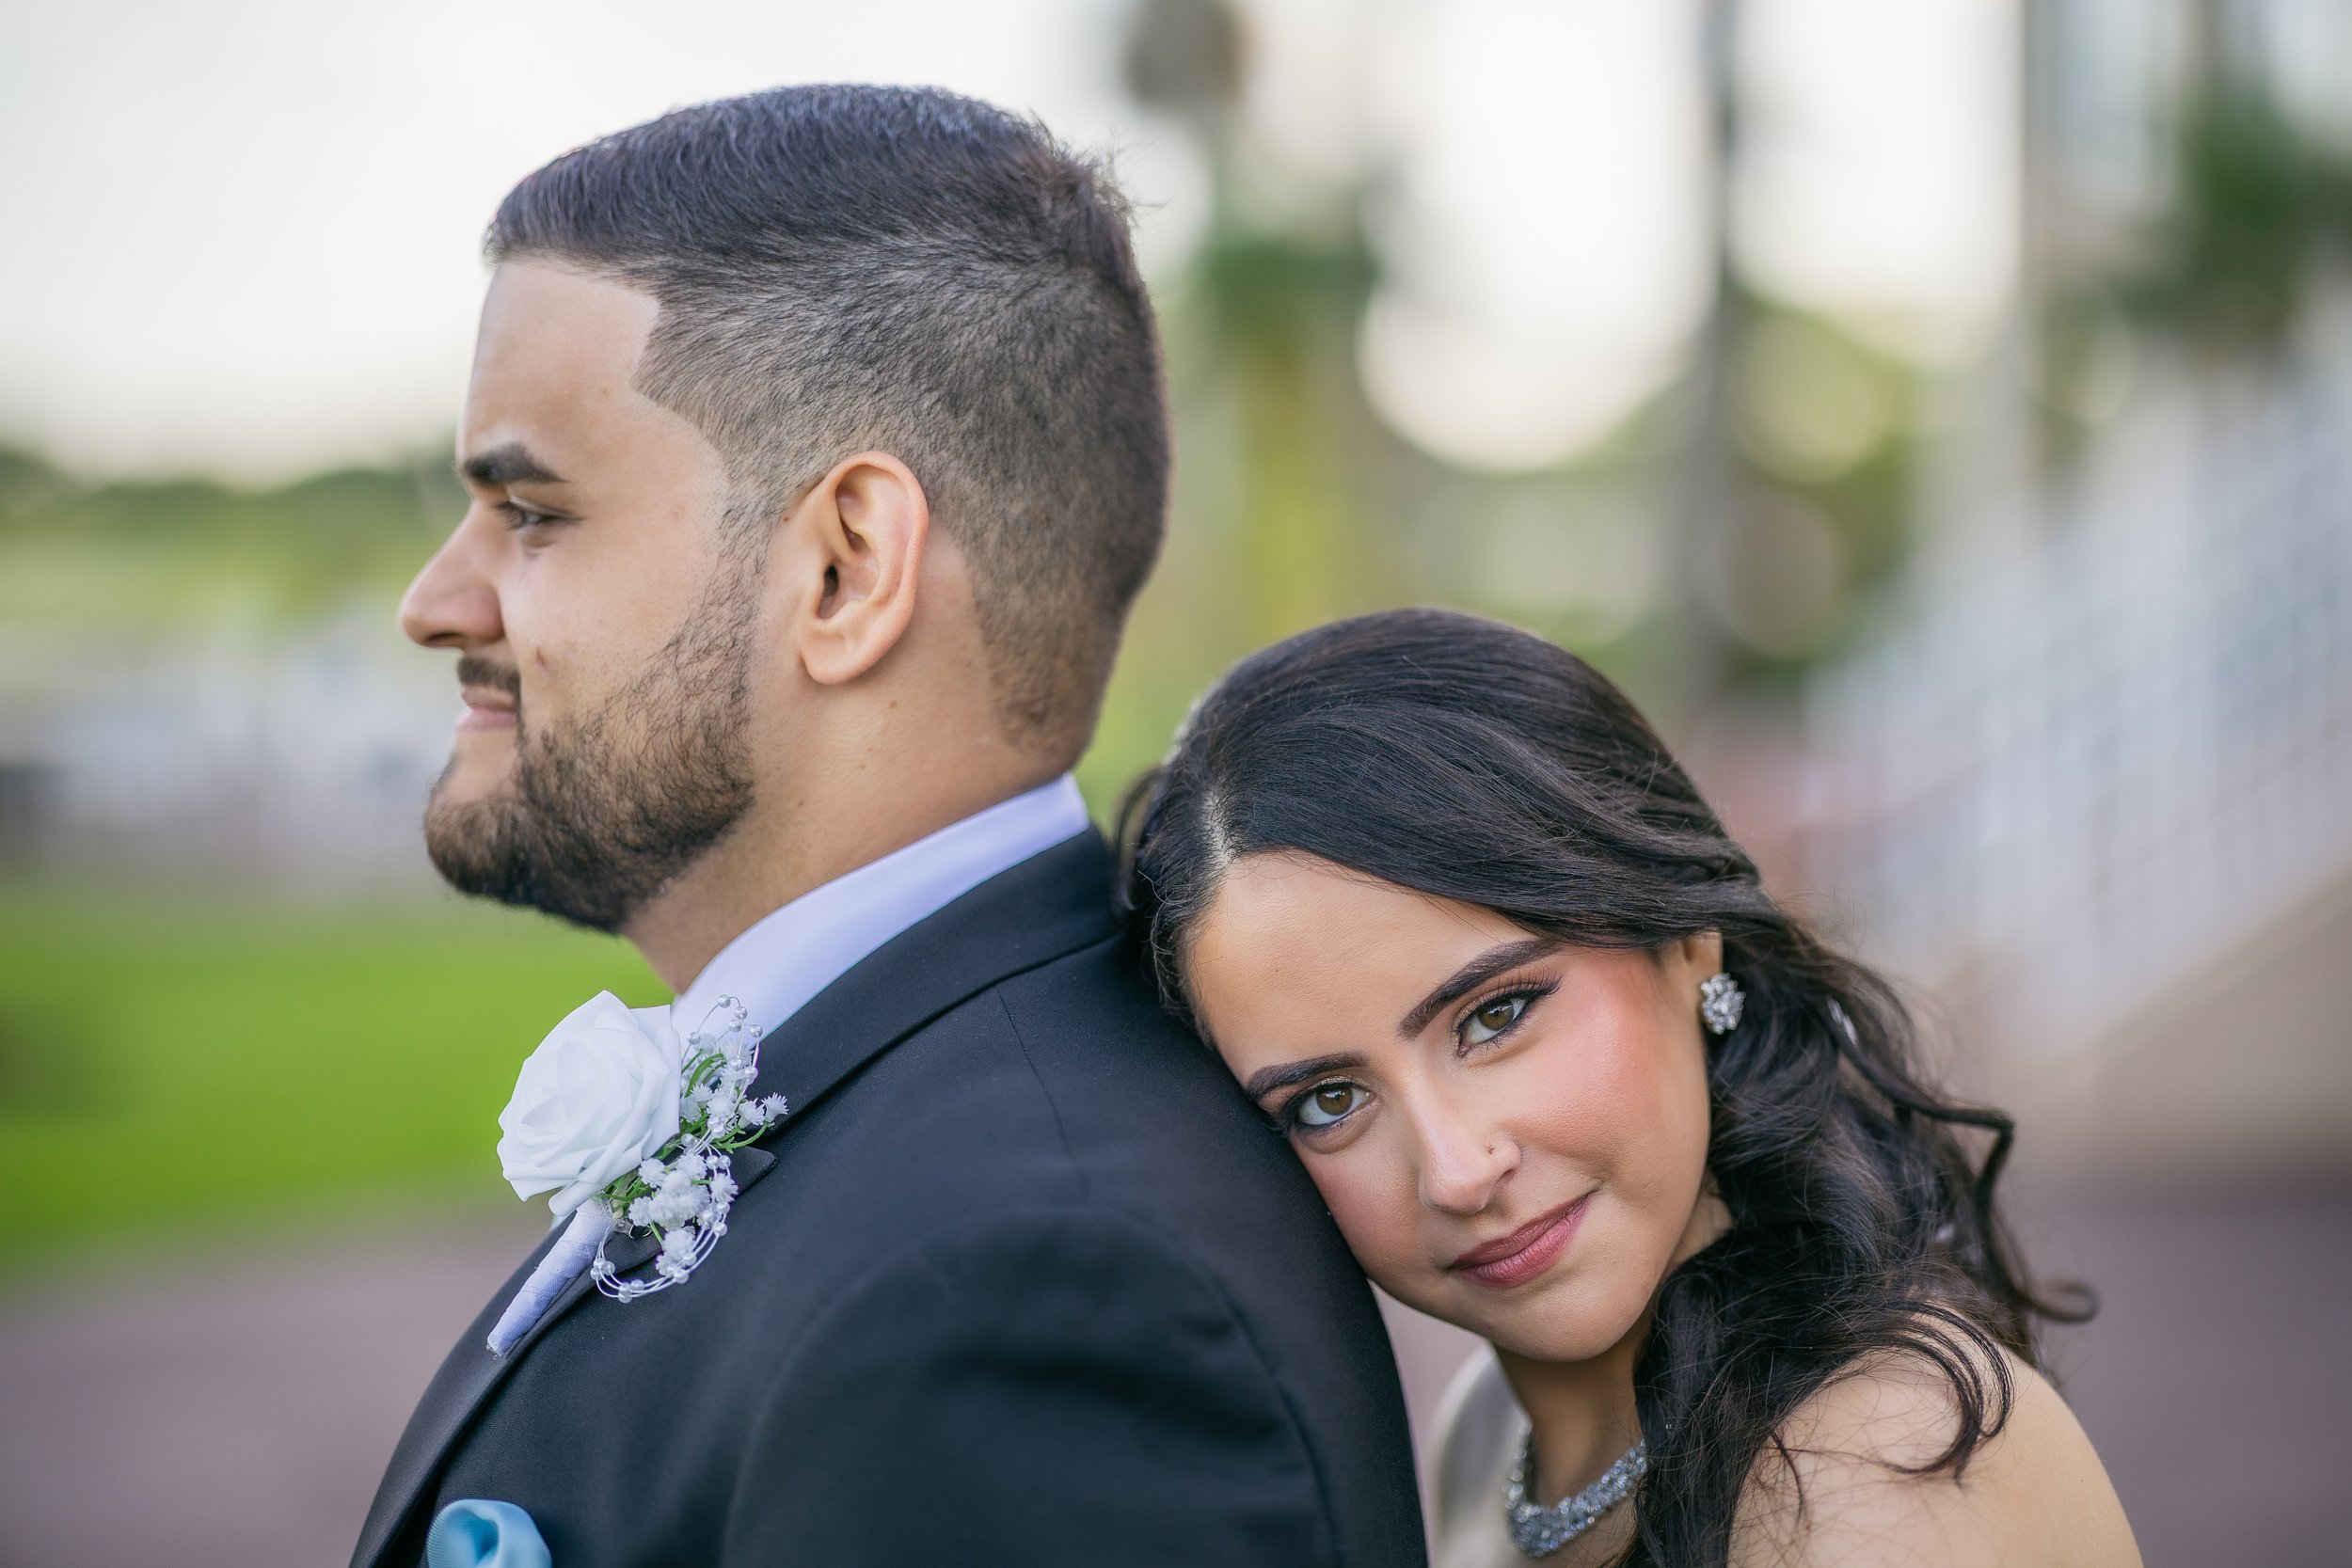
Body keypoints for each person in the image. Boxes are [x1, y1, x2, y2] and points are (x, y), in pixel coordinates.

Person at [354, 86, 1424, 1568]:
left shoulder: (1041, 1289)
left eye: (531, 510)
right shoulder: (930, 1128)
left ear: (848, 568)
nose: (435, 601)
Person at [1120, 608, 2143, 1568]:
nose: (1458, 1169)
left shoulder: (1877, 1470)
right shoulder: (1486, 1425)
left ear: (1686, 937)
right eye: (1328, 1101)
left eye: (1494, 1015)